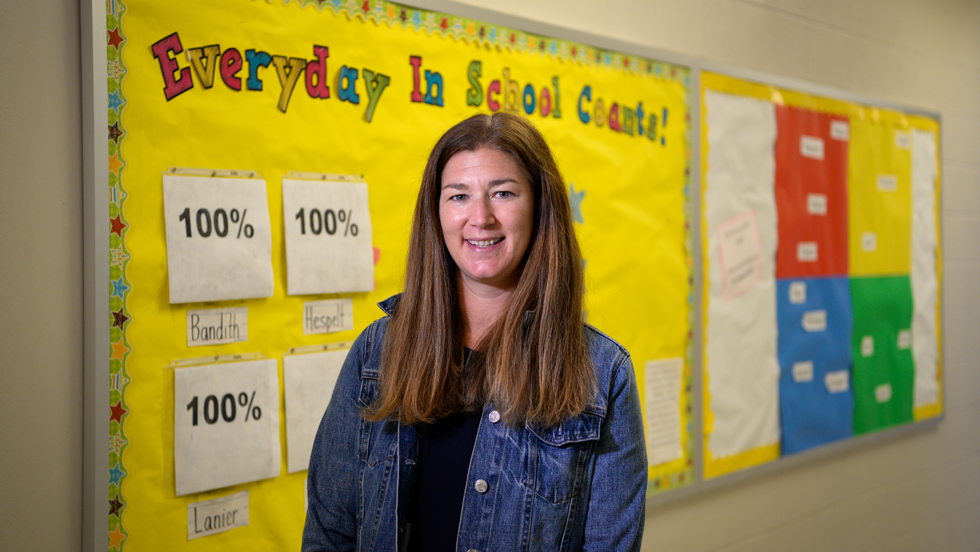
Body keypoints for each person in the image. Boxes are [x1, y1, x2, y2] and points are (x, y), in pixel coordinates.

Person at [303, 112, 647, 552]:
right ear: (436, 212)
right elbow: (329, 534)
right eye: (459, 196)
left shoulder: (602, 373)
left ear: (540, 207)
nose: (480, 217)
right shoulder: (377, 351)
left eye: (503, 193)